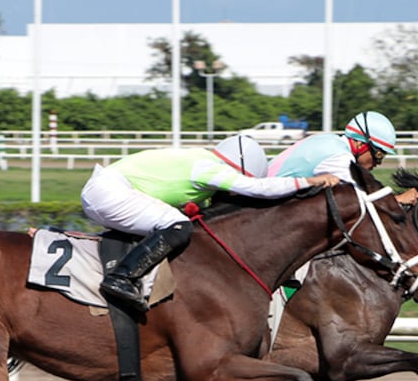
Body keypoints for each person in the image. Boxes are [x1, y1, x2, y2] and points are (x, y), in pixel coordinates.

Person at [81, 134, 340, 313]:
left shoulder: (200, 160)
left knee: (175, 223)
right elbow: (258, 188)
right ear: (239, 168)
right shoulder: (210, 167)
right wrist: (309, 182)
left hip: (104, 191)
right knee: (177, 225)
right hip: (109, 192)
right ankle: (121, 278)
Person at [268, 110, 418, 205]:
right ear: (361, 145)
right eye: (378, 155)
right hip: (267, 206)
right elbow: (362, 201)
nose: (378, 163)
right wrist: (398, 200)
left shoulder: (330, 139)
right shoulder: (340, 158)